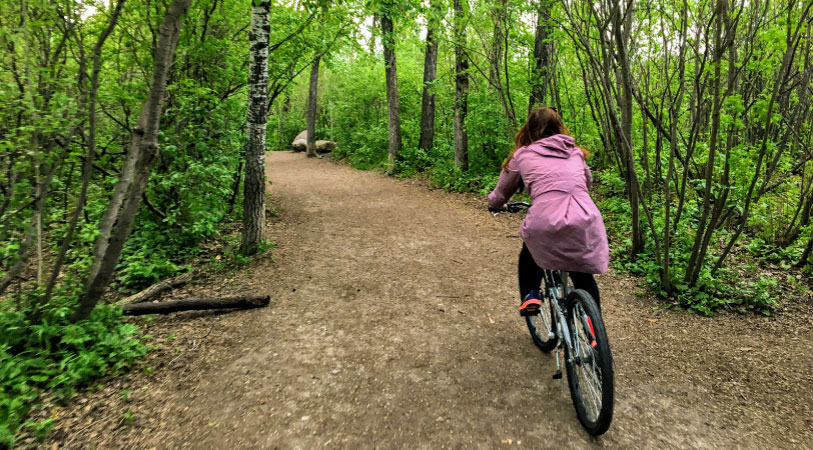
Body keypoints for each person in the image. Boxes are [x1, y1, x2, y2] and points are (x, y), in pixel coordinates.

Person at [487, 107, 609, 316]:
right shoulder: (575, 152)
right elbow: (587, 181)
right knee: (582, 275)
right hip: (584, 215)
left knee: (530, 251)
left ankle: (531, 294)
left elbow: (501, 193)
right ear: (559, 127)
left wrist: (496, 204)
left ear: (529, 129)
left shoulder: (522, 155)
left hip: (545, 217)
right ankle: (594, 333)